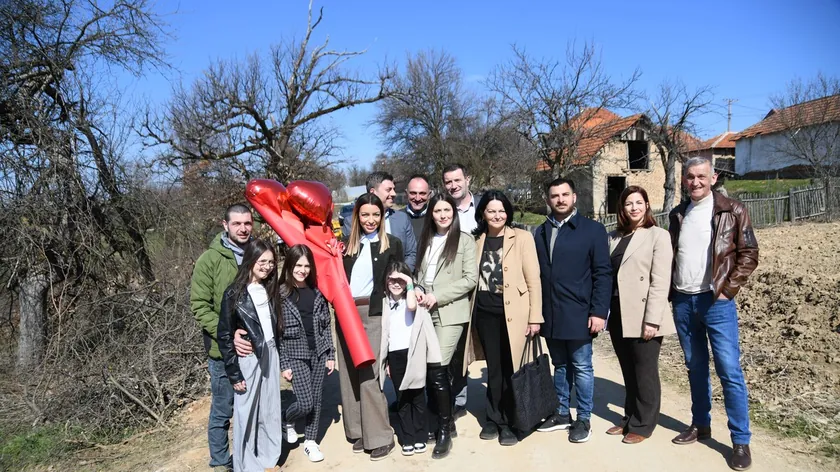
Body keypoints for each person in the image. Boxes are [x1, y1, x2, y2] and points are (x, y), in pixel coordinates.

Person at [669, 157, 759, 471]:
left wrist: (727, 290)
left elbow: (749, 253)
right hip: (683, 301)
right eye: (690, 177)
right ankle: (700, 424)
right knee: (695, 367)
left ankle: (740, 440)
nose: (695, 182)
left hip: (716, 302)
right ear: (683, 180)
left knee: (729, 371)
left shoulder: (732, 210)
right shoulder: (678, 214)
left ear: (713, 177)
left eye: (701, 177)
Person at [534, 178, 611, 443]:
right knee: (560, 365)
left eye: (565, 194)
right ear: (548, 199)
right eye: (554, 195)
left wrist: (599, 312)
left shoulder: (592, 230)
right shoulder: (541, 231)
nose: (560, 200)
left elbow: (603, 273)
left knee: (581, 366)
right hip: (551, 314)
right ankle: (562, 412)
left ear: (574, 197)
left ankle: (584, 419)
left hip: (579, 311)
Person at [467, 190, 542, 446]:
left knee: (513, 368)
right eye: (491, 211)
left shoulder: (521, 238)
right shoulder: (476, 240)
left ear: (507, 213)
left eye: (501, 211)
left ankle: (511, 421)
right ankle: (493, 418)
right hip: (485, 315)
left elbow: (534, 280)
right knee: (494, 369)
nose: (497, 215)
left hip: (515, 315)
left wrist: (535, 317)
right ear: (483, 214)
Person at [606, 186, 675, 444]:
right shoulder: (613, 237)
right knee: (627, 370)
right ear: (622, 209)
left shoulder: (658, 235)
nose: (633, 207)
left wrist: (652, 320)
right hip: (618, 313)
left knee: (644, 371)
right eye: (628, 204)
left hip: (644, 313)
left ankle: (644, 424)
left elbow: (660, 281)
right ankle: (628, 418)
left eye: (638, 202)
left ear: (647, 205)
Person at [340, 193, 403, 461]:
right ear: (356, 216)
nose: (370, 220)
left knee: (370, 374)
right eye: (365, 214)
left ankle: (380, 435)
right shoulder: (344, 247)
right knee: (349, 375)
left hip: (374, 313)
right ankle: (359, 431)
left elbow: (400, 278)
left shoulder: (392, 245)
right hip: (345, 312)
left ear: (382, 216)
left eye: (375, 215)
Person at [414, 193, 478, 459]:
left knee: (437, 367)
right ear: (431, 214)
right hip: (424, 310)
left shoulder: (464, 241)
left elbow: (469, 279)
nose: (442, 215)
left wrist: (438, 296)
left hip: (450, 312)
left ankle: (443, 429)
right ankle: (445, 417)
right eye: (437, 210)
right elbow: (419, 274)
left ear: (453, 212)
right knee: (433, 368)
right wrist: (416, 289)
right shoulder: (426, 240)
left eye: (447, 210)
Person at [190, 203, 253, 471]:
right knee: (223, 410)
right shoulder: (210, 260)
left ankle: (249, 455)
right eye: (237, 223)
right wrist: (228, 334)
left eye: (247, 223)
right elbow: (200, 306)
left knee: (251, 406)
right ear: (225, 225)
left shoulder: (257, 253)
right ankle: (219, 462)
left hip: (254, 348)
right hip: (221, 351)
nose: (243, 228)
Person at [217, 239, 283, 472]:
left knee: (270, 408)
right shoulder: (234, 293)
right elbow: (224, 335)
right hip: (249, 356)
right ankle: (246, 465)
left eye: (271, 262)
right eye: (262, 261)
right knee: (246, 410)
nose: (267, 266)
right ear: (251, 260)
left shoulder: (271, 288)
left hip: (271, 351)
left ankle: (268, 458)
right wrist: (234, 374)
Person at [276, 244, 335, 462]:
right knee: (305, 402)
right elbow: (277, 333)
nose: (303, 270)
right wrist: (284, 364)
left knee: (317, 398)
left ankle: (310, 441)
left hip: (318, 353)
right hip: (295, 355)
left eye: (307, 266)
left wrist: (330, 354)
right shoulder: (280, 294)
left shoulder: (317, 292)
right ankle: (286, 419)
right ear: (290, 265)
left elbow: (326, 325)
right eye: (299, 265)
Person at [379, 261, 442, 456]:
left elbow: (412, 306)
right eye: (392, 280)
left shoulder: (411, 296)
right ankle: (408, 438)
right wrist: (387, 361)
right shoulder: (385, 301)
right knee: (402, 398)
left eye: (401, 280)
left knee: (417, 397)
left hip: (413, 352)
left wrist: (409, 282)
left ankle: (421, 436)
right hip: (395, 355)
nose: (396, 284)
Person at [441, 163, 475, 421]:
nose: (453, 185)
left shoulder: (483, 208)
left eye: (457, 180)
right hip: (452, 289)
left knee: (469, 347)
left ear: (467, 180)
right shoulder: (442, 209)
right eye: (448, 182)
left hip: (480, 286)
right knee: (452, 347)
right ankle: (456, 399)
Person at [342, 171, 417, 271]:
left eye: (394, 189)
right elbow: (349, 259)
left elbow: (411, 253)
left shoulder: (402, 219)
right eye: (388, 190)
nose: (394, 194)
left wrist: (402, 274)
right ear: (373, 192)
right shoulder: (351, 222)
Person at [403, 174, 432, 240]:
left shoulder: (436, 218)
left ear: (429, 195)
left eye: (422, 193)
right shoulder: (396, 218)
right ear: (406, 193)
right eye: (413, 193)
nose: (417, 198)